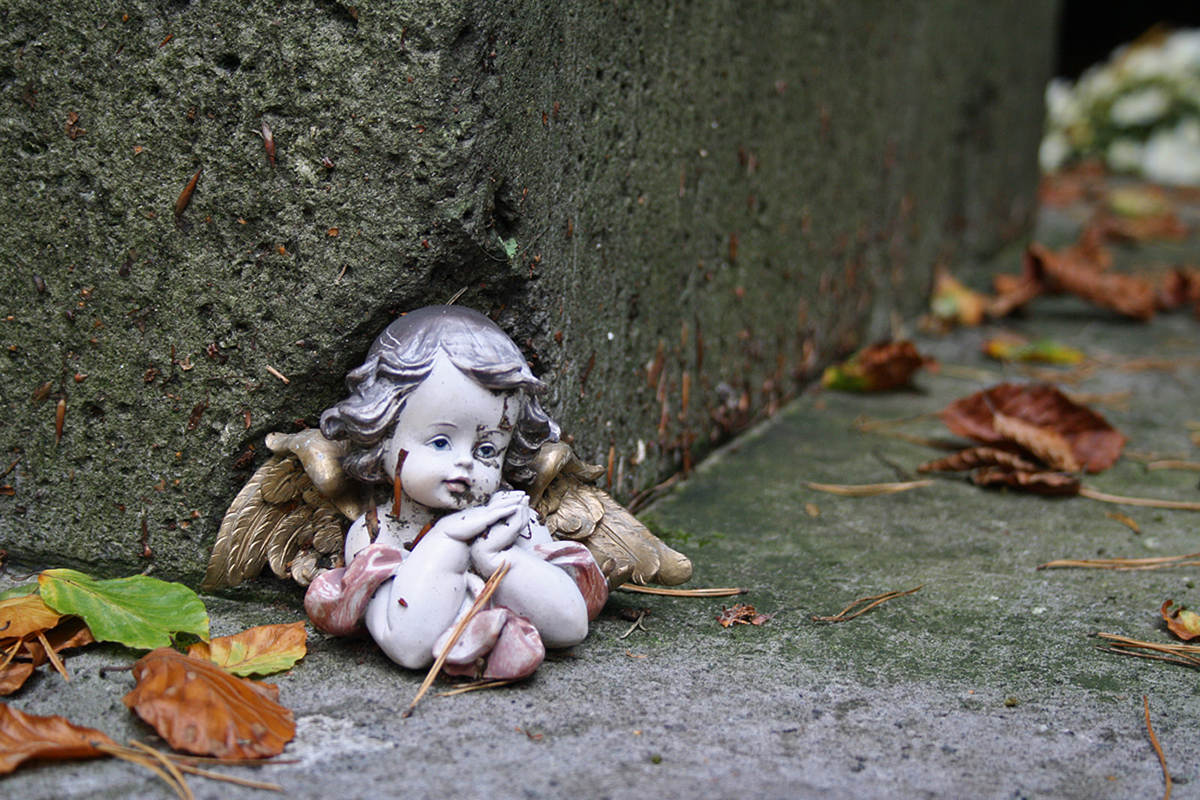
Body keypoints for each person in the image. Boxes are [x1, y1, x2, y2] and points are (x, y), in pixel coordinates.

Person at [303, 306, 606, 679]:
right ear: (382, 436)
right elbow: (410, 645)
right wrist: (449, 538)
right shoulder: (379, 532)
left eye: (487, 450)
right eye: (441, 441)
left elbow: (571, 626)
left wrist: (495, 559)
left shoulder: (510, 519)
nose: (465, 463)